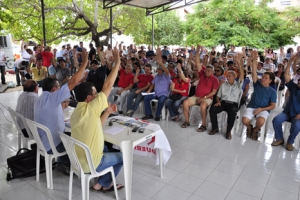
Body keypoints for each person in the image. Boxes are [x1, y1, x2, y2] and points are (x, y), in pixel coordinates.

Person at [70, 46, 124, 192]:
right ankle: (104, 184)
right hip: (93, 163)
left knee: (107, 148)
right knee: (123, 156)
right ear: (89, 98)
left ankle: (101, 183)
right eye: (95, 94)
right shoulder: (92, 108)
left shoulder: (76, 112)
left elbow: (95, 126)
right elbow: (108, 85)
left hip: (77, 162)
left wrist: (106, 112)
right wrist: (117, 62)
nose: (98, 96)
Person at [34, 48, 89, 174]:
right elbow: (73, 81)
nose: (61, 89)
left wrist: (61, 107)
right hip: (52, 145)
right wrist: (84, 62)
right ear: (54, 89)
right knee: (81, 140)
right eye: (59, 87)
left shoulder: (40, 99)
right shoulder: (54, 97)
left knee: (70, 132)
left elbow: (48, 113)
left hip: (43, 143)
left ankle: (63, 161)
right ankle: (67, 163)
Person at [181, 45, 219, 132]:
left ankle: (203, 125)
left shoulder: (215, 80)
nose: (206, 71)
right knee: (185, 102)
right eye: (206, 70)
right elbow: (198, 63)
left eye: (208, 71)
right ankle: (187, 121)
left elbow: (213, 92)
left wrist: (203, 98)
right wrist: (197, 52)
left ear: (212, 72)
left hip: (207, 98)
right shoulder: (202, 74)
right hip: (196, 96)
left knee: (203, 105)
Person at [242, 50, 277, 140]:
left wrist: (262, 109)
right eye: (263, 77)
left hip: (263, 109)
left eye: (266, 78)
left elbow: (273, 106)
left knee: (260, 122)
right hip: (252, 106)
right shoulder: (257, 84)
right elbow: (254, 72)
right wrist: (254, 60)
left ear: (270, 81)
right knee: (244, 120)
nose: (263, 79)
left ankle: (255, 130)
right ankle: (249, 128)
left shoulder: (272, 92)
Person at [209, 53, 244, 139]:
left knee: (232, 113)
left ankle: (228, 132)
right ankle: (215, 128)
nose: (227, 77)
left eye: (229, 76)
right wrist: (218, 102)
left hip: (233, 104)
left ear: (234, 76)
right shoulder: (224, 85)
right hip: (223, 102)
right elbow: (218, 96)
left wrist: (239, 64)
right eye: (227, 76)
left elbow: (242, 75)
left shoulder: (238, 85)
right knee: (212, 109)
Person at [272, 54, 300, 151]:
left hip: (298, 114)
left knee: (297, 126)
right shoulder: (294, 86)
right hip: (287, 111)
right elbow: (286, 75)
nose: (299, 81)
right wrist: (290, 62)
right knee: (276, 120)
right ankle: (279, 138)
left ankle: (290, 142)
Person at [142, 49, 171, 121]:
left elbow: (167, 70)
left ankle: (158, 115)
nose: (157, 70)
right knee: (146, 98)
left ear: (162, 70)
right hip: (155, 93)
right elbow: (152, 84)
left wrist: (161, 63)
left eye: (158, 69)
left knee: (161, 101)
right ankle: (149, 114)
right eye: (157, 69)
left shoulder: (166, 75)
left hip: (163, 94)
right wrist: (148, 90)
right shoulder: (157, 76)